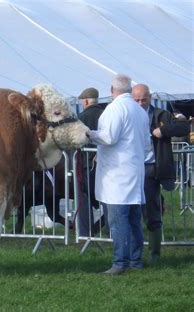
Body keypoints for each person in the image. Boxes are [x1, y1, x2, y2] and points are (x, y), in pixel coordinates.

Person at [87, 74, 150, 275]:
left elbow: (109, 137)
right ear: (129, 89)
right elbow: (147, 143)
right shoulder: (139, 111)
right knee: (133, 219)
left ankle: (120, 261)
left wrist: (89, 133)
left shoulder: (115, 109)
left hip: (117, 174)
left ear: (112, 90)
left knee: (118, 220)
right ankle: (135, 260)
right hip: (134, 170)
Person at [132, 84, 189, 264]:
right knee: (132, 211)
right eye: (136, 100)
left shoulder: (160, 114)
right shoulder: (127, 113)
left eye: (143, 99)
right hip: (130, 168)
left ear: (150, 98)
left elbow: (183, 127)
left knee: (152, 211)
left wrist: (163, 130)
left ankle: (154, 254)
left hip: (151, 168)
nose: (140, 103)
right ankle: (132, 253)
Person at [77, 87, 105, 236]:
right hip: (105, 163)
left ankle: (85, 232)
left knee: (84, 197)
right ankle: (105, 225)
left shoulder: (81, 117)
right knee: (106, 197)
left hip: (86, 164)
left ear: (86, 101)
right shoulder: (106, 114)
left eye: (82, 101)